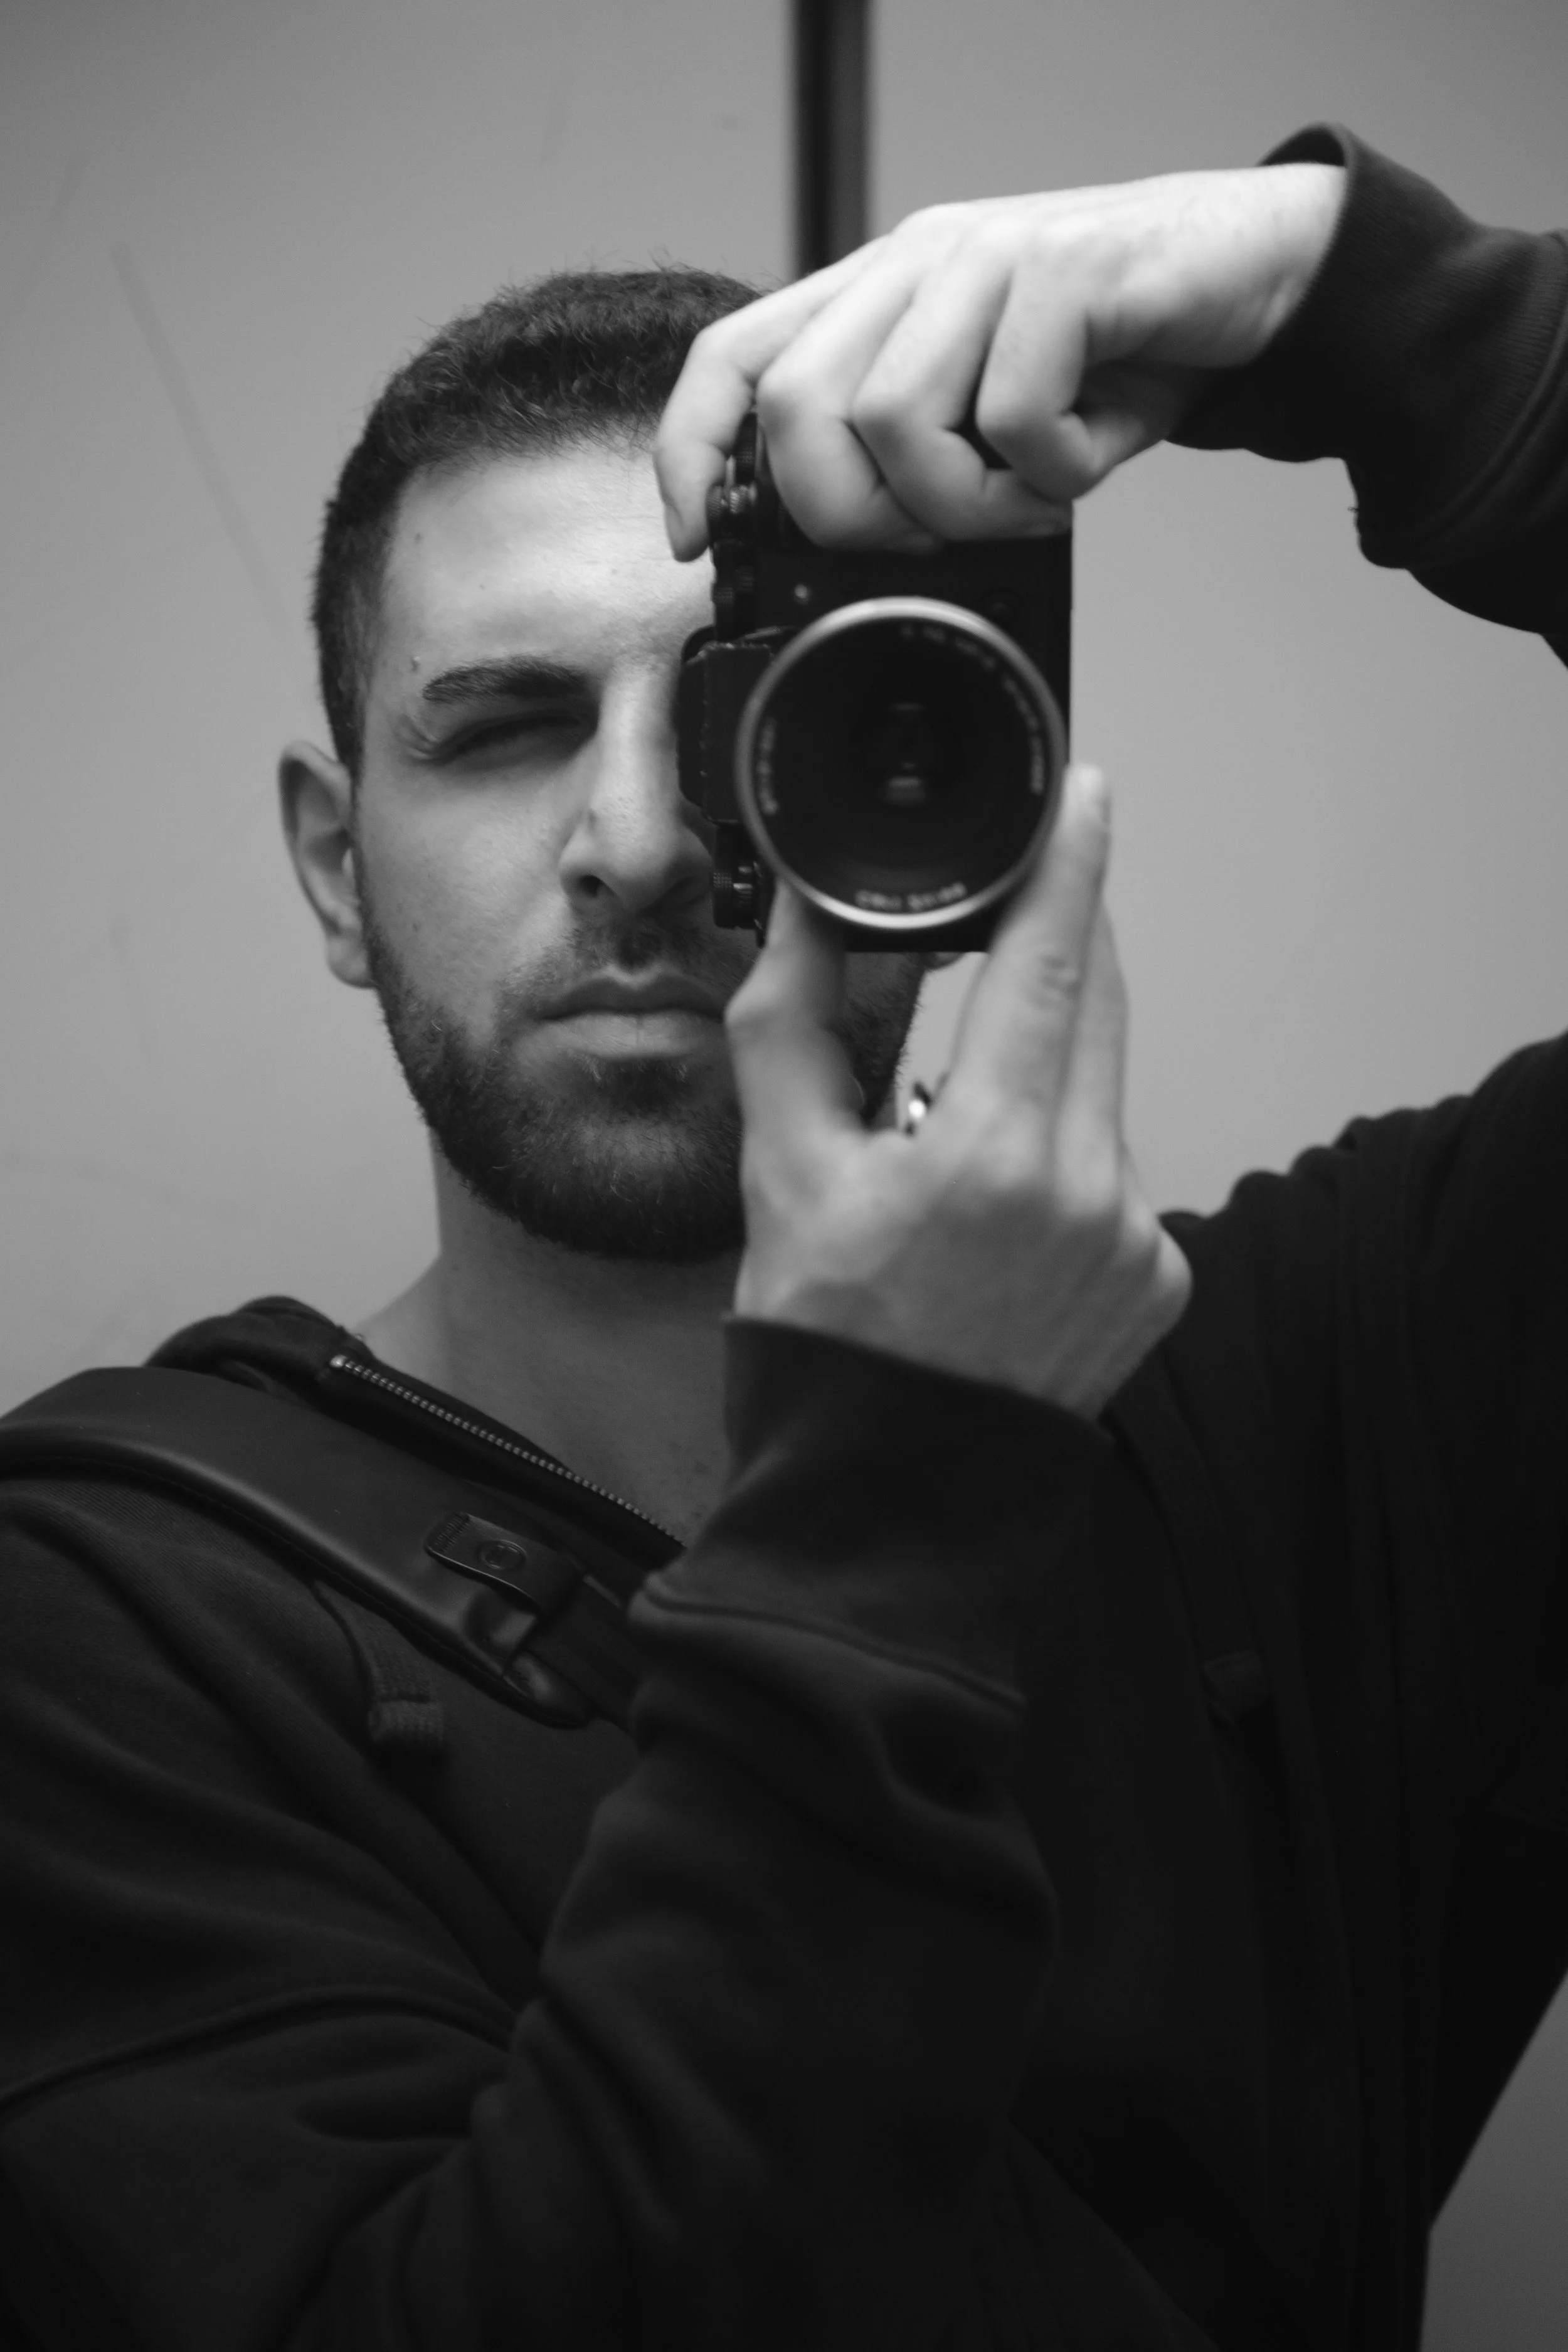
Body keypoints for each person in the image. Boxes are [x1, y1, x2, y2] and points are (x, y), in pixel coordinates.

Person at [1, 118, 1565, 2352]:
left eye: (741, 709)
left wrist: (1367, 313)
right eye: (510, 728)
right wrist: (895, 1502)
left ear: (951, 763)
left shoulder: (1319, 1397)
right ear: (338, 866)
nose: (635, 837)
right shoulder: (93, 1634)